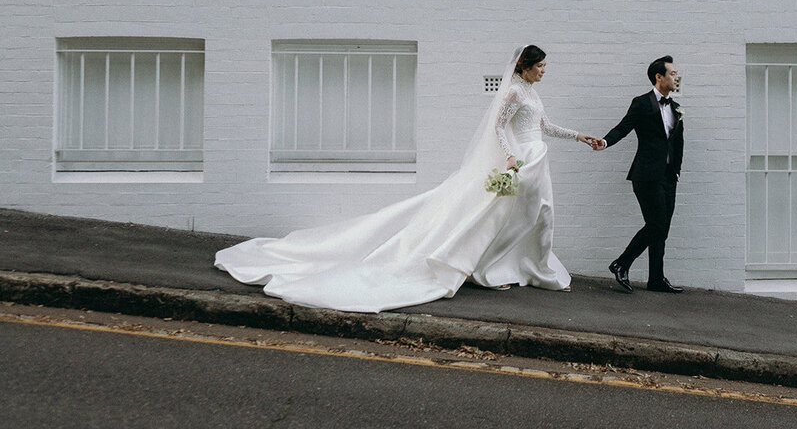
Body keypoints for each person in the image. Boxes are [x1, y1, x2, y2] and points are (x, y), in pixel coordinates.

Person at [214, 45, 601, 313]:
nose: (545, 70)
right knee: (512, 215)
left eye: (545, 66)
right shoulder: (514, 93)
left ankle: (522, 267)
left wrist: (580, 136)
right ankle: (494, 269)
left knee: (533, 215)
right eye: (541, 65)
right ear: (524, 67)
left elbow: (544, 125)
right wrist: (511, 157)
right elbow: (499, 130)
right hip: (522, 162)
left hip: (536, 159)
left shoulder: (531, 92)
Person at [592, 55, 684, 294]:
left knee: (662, 229)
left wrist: (676, 173)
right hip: (646, 175)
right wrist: (605, 141)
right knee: (655, 224)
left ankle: (656, 279)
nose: (677, 77)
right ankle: (621, 263)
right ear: (659, 77)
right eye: (672, 73)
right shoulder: (642, 103)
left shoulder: (675, 107)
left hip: (667, 177)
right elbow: (624, 127)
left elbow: (678, 143)